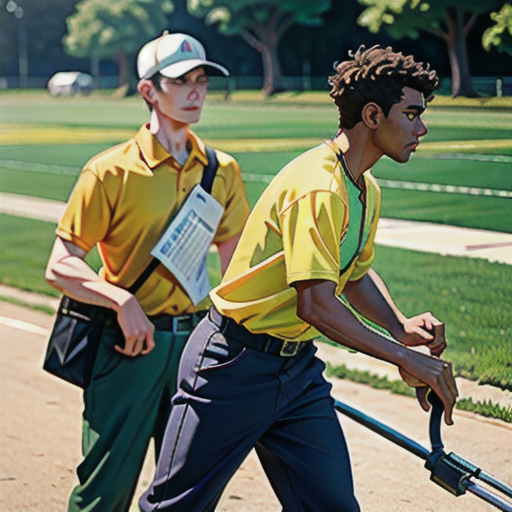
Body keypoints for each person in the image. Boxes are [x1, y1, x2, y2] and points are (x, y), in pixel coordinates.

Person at [139, 45, 459, 512]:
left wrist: (399, 327)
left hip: (296, 372)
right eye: (411, 113)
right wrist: (401, 358)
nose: (421, 127)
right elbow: (316, 304)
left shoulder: (363, 187)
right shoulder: (320, 186)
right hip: (230, 365)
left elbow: (353, 276)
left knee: (331, 506)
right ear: (372, 115)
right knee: (176, 507)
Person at [45, 32, 250, 512]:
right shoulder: (109, 172)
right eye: (181, 82)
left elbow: (236, 265)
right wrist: (121, 300)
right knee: (106, 488)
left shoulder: (224, 171)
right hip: (129, 345)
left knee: (187, 493)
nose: (195, 91)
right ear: (149, 92)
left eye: (201, 80)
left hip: (195, 349)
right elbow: (60, 263)